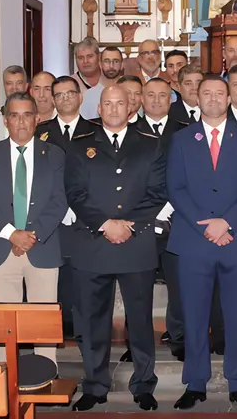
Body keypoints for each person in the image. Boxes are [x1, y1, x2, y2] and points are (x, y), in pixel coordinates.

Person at [66, 85, 168, 411]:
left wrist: (129, 225)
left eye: (119, 103)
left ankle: (143, 385)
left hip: (135, 244)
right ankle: (95, 386)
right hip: (93, 243)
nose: (113, 108)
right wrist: (105, 224)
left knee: (139, 321)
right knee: (93, 322)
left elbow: (157, 192)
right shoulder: (80, 146)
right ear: (99, 107)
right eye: (107, 103)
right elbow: (75, 192)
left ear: (130, 107)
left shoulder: (150, 145)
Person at [169, 75, 237, 411]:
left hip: (235, 240)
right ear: (196, 97)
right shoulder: (181, 139)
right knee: (194, 316)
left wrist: (226, 223)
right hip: (195, 241)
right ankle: (195, 383)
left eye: (218, 93)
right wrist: (207, 227)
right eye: (205, 93)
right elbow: (175, 188)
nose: (212, 98)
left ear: (228, 99)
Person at [0, 92, 68, 365]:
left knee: (43, 325)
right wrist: (11, 234)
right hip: (1, 248)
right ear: (5, 121)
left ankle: (46, 376)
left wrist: (30, 236)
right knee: (5, 325)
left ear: (37, 119)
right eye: (14, 116)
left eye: (27, 115)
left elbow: (59, 201)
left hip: (42, 246)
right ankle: (4, 381)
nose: (21, 122)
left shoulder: (54, 155)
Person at [35, 75, 100, 342]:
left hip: (87, 219)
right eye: (59, 95)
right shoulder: (41, 132)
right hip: (51, 219)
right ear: (52, 99)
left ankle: (88, 333)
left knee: (86, 280)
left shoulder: (97, 130)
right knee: (56, 279)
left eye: (70, 94)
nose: (64, 99)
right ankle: (58, 331)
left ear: (80, 97)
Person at [142, 76, 188, 360]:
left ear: (171, 99)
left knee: (179, 285)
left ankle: (179, 337)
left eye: (163, 95)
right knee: (139, 287)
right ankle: (139, 341)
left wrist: (168, 208)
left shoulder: (187, 132)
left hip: (177, 220)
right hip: (141, 222)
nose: (157, 100)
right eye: (151, 95)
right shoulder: (128, 130)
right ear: (142, 100)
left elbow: (189, 176)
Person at [75, 38, 105, 118]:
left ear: (99, 57)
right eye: (80, 58)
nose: (85, 61)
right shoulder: (70, 83)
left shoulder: (110, 80)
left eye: (90, 56)